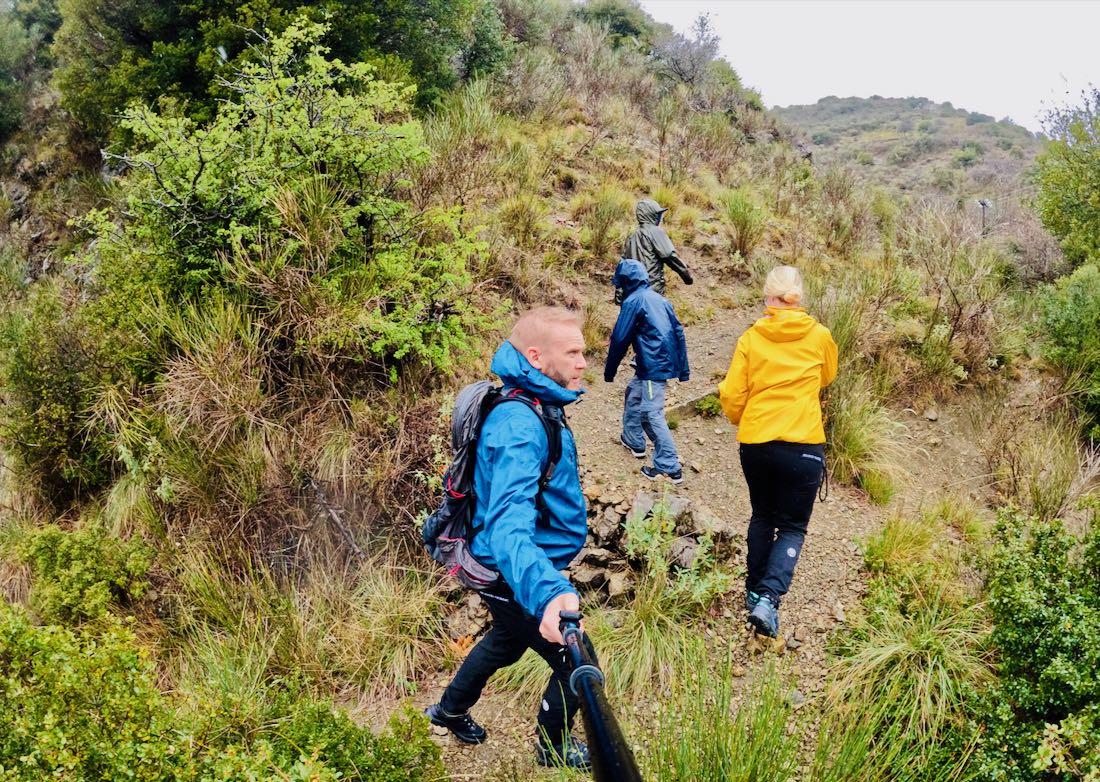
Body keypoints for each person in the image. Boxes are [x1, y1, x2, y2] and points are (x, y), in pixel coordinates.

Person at [425, 307, 593, 771]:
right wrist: (546, 591)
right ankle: (551, 747)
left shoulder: (534, 401)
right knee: (573, 660)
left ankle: (448, 710)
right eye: (574, 352)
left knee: (505, 640)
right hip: (508, 566)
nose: (583, 362)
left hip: (501, 561)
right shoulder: (520, 425)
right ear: (536, 357)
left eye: (584, 351)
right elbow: (507, 526)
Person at [717, 265, 838, 639]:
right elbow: (827, 376)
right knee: (792, 525)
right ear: (798, 297)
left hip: (757, 442)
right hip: (803, 442)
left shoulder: (751, 338)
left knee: (762, 516)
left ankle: (754, 594)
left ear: (769, 297)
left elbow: (732, 394)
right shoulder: (819, 336)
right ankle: (769, 599)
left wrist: (746, 417)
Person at [605, 258, 690, 484]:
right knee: (633, 394)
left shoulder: (633, 301)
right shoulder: (659, 299)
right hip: (652, 363)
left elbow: (620, 338)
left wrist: (609, 370)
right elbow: (678, 332)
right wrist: (683, 369)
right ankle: (634, 441)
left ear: (625, 282)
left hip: (653, 367)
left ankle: (669, 466)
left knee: (650, 414)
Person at [618, 198, 693, 301]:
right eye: (658, 214)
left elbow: (622, 267)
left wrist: (619, 293)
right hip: (651, 292)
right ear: (651, 215)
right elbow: (669, 256)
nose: (660, 218)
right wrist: (687, 277)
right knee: (660, 316)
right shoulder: (656, 232)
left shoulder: (631, 237)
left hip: (631, 295)